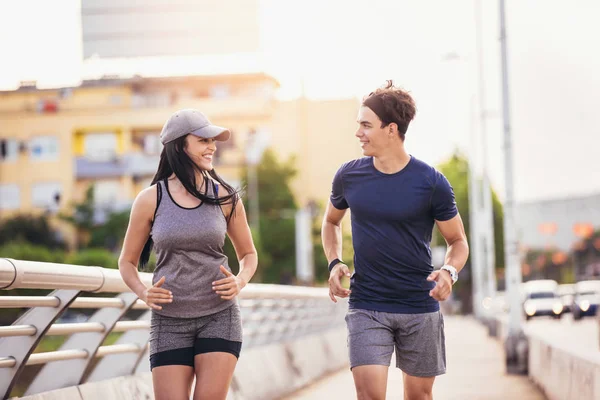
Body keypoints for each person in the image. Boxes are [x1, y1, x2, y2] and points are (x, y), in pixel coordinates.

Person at [321, 81, 469, 400]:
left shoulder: (431, 183)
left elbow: (458, 241)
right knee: (370, 395)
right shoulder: (349, 176)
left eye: (365, 125)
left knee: (419, 396)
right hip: (367, 304)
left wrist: (449, 272)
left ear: (391, 129)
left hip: (419, 304)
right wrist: (334, 262)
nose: (358, 132)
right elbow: (331, 221)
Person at [118, 109, 258, 400]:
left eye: (213, 140)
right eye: (203, 140)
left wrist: (240, 281)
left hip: (219, 314)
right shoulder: (149, 200)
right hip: (169, 320)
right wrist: (144, 293)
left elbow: (248, 254)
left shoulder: (226, 197)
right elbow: (127, 262)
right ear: (180, 145)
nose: (212, 146)